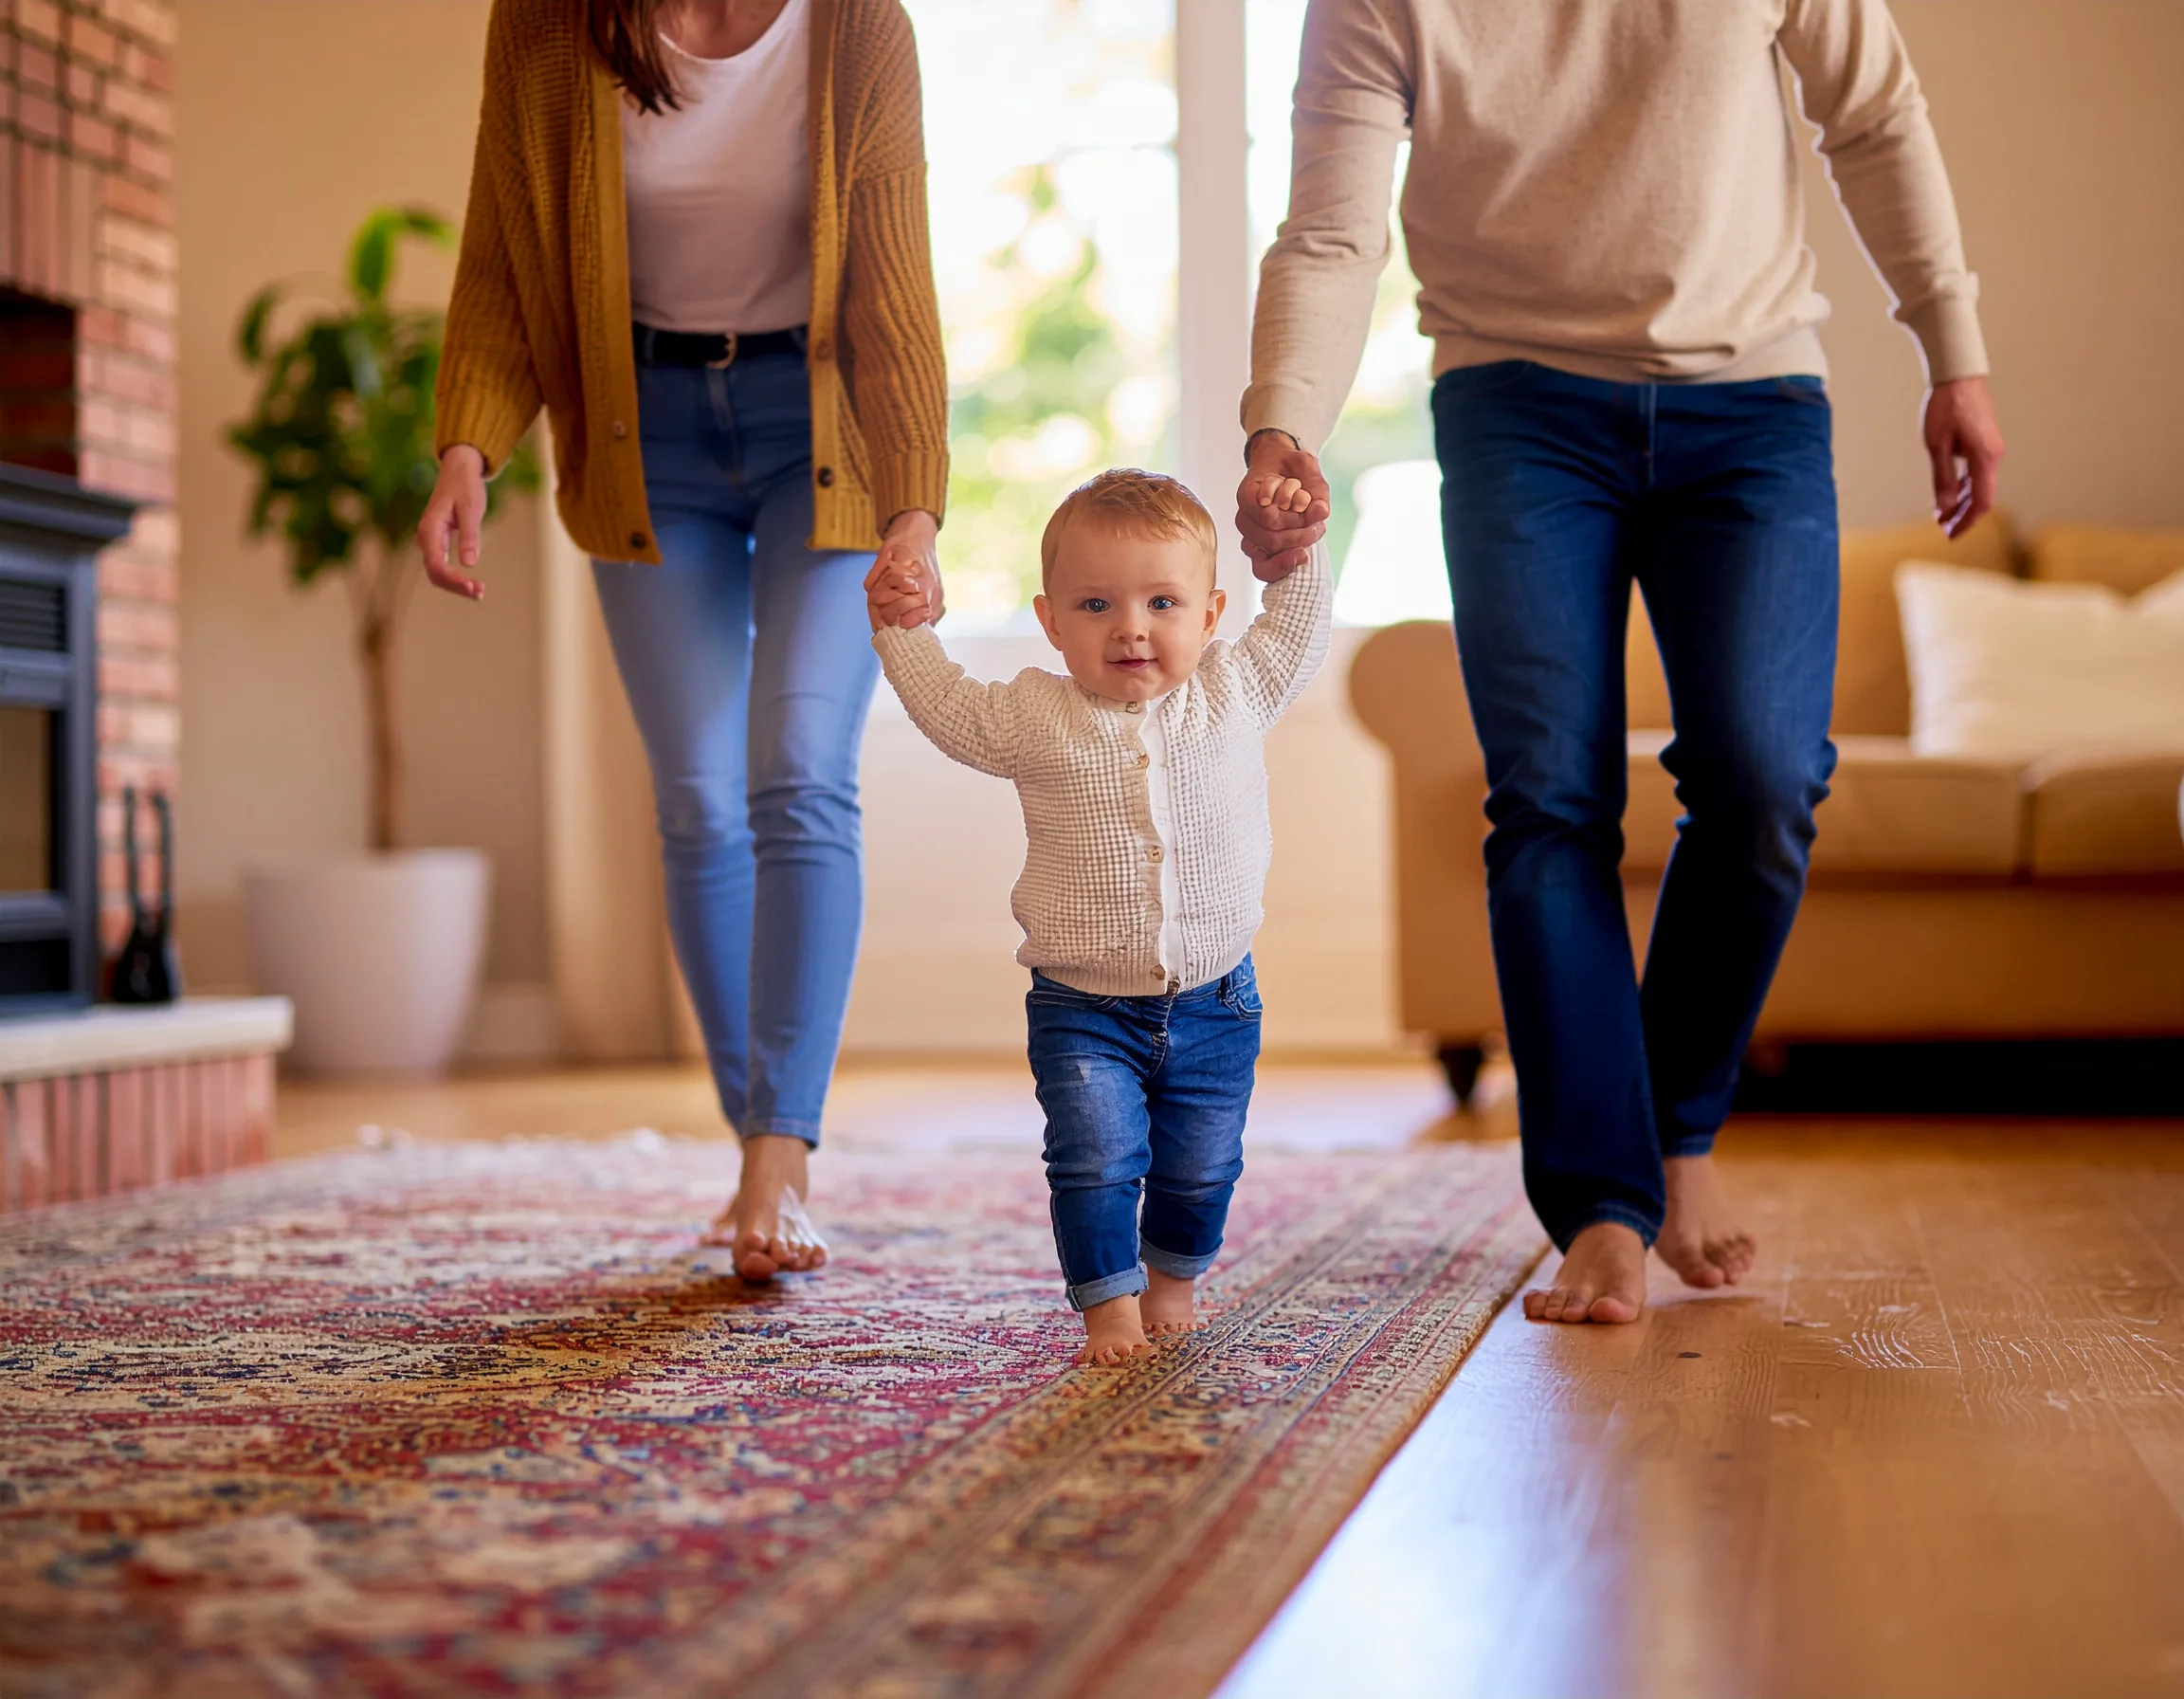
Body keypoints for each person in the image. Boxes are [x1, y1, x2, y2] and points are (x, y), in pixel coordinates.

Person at [1235, 0, 2007, 1323]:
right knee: (1547, 800)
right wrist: (1281, 426)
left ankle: (1675, 1135)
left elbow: (1872, 116)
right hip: (1516, 410)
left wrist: (1954, 351)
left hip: (1752, 405)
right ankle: (1602, 1205)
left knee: (1766, 783)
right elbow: (1330, 227)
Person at [416, 0, 949, 1281]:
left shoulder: (858, 24)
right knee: (699, 802)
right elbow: (504, 252)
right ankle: (754, 1132)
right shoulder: (548, 23)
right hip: (636, 430)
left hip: (817, 426)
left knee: (798, 775)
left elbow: (894, 279)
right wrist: (466, 455)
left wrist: (915, 509)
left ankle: (781, 1152)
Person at [866, 470, 1330, 1364]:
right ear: (1050, 621)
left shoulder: (1238, 688)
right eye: (1095, 604)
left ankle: (1174, 1281)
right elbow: (948, 707)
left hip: (1216, 999)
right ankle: (1108, 1306)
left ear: (1208, 614)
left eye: (1163, 601)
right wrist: (902, 627)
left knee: (1202, 1166)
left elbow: (1299, 622)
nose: (1130, 627)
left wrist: (1296, 540)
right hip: (1082, 1006)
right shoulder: (1036, 714)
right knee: (1094, 1160)